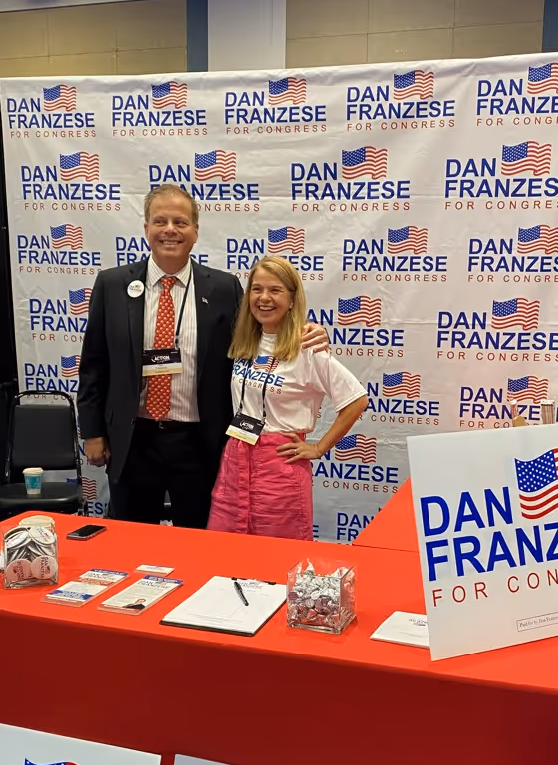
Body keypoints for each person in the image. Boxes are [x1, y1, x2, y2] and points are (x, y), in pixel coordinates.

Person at [76, 185, 327, 528]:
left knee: (199, 544)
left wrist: (307, 332)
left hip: (200, 443)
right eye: (160, 220)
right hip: (132, 441)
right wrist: (91, 432)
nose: (170, 230)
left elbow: (262, 333)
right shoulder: (112, 285)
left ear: (195, 231)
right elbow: (93, 365)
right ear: (146, 228)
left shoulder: (224, 288)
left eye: (180, 221)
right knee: (132, 543)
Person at [208, 255, 368, 540]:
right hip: (236, 460)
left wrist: (319, 448)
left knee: (277, 559)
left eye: (275, 290)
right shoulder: (244, 341)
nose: (264, 298)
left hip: (280, 466)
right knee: (225, 549)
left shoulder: (308, 348)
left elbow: (356, 399)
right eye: (257, 289)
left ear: (293, 299)